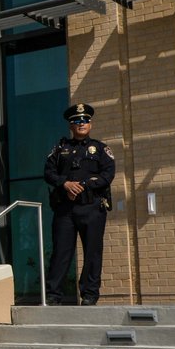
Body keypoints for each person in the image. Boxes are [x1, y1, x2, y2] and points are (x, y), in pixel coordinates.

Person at [43, 103, 115, 305]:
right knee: (61, 252)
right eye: (76, 121)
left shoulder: (101, 149)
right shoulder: (60, 148)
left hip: (92, 208)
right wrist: (65, 184)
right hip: (65, 210)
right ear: (70, 125)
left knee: (92, 252)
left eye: (84, 120)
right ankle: (53, 295)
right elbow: (48, 173)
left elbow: (107, 175)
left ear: (90, 124)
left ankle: (90, 295)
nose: (81, 123)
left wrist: (82, 185)